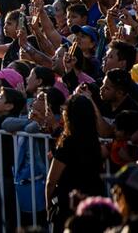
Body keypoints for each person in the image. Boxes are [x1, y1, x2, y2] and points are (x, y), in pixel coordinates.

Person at [46, 94, 105, 229]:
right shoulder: (94, 142)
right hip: (92, 203)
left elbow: (51, 181)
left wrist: (48, 204)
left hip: (69, 204)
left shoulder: (67, 143)